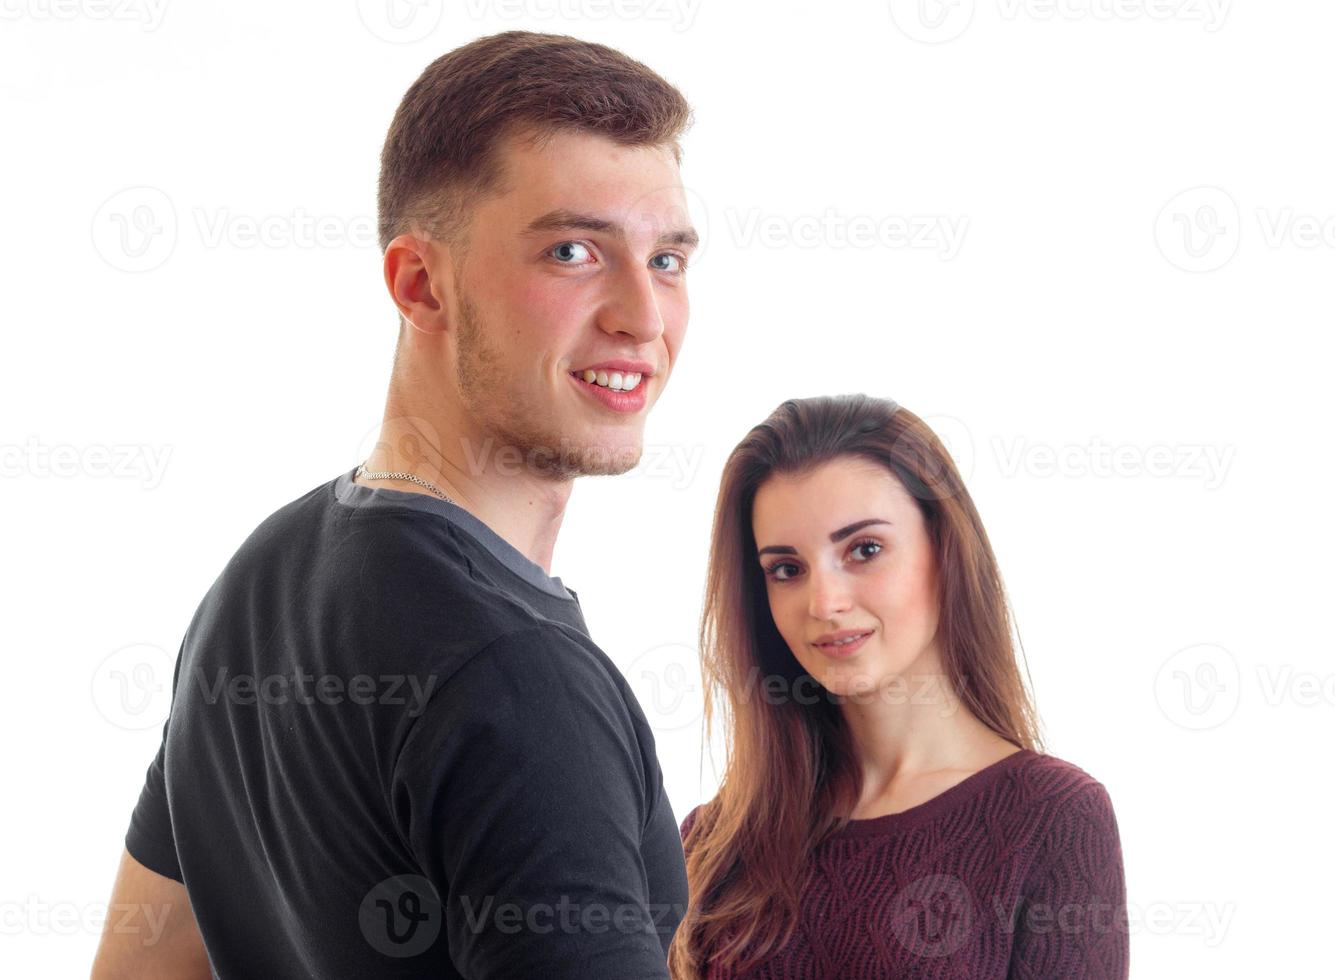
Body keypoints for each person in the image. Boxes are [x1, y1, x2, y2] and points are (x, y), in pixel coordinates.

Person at [92, 31, 699, 979]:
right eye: (574, 250)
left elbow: (139, 967)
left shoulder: (259, 579)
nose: (643, 315)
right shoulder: (520, 680)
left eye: (667, 259)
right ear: (422, 285)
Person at [670, 394, 1129, 979]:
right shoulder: (715, 842)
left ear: (944, 550)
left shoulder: (1052, 819)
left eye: (864, 550)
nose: (825, 604)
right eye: (787, 568)